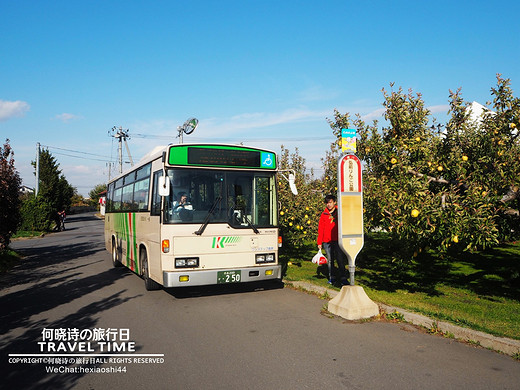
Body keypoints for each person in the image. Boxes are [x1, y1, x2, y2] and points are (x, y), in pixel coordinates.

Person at [317, 194, 348, 285]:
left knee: (339, 259)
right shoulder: (324, 214)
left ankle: (343, 278)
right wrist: (319, 242)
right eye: (327, 203)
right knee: (330, 260)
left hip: (337, 240)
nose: (328, 205)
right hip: (327, 241)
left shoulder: (339, 212)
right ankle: (332, 277)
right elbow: (321, 229)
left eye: (330, 202)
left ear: (334, 202)